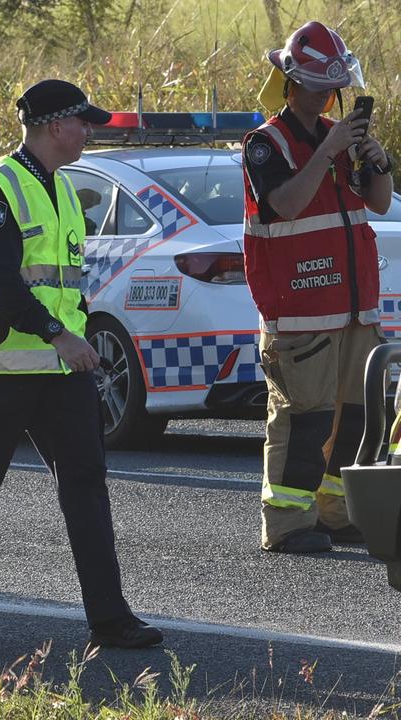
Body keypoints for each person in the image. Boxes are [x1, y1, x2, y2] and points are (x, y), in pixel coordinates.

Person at [0, 80, 163, 651]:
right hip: (1, 372)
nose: (89, 131)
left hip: (62, 376)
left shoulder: (60, 189)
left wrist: (71, 332)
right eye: (83, 122)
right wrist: (61, 336)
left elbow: (62, 285)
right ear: (55, 126)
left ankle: (109, 619)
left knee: (87, 488)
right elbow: (5, 286)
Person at [243, 21, 393, 554]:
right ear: (290, 82)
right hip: (299, 310)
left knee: (354, 413)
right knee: (302, 419)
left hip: (353, 308)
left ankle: (335, 512)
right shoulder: (265, 143)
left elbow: (377, 204)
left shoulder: (338, 137)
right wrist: (328, 151)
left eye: (332, 87)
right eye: (315, 85)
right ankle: (285, 522)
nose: (327, 96)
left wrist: (377, 163)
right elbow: (283, 204)